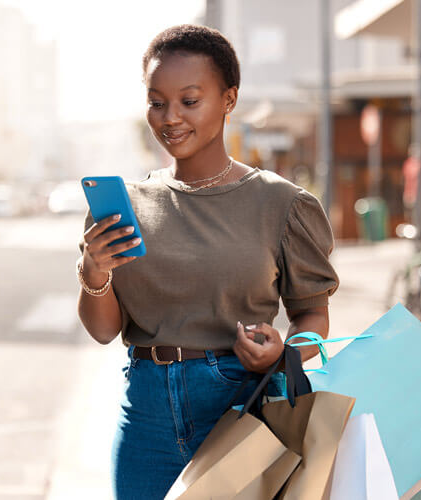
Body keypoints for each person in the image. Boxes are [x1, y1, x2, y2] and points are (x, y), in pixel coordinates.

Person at [77, 24, 338, 499]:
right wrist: (94, 276)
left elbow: (312, 315)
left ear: (229, 99)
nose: (170, 117)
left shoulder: (282, 203)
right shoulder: (125, 205)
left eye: (189, 100)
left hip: (241, 408)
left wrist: (283, 353)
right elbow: (102, 331)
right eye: (157, 102)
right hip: (146, 421)